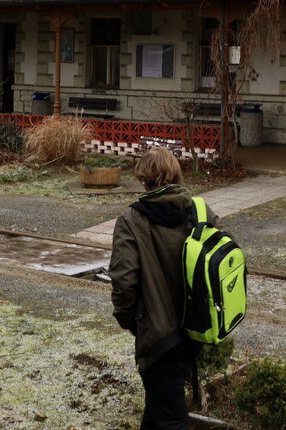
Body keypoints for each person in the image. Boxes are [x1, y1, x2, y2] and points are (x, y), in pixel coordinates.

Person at [109, 147, 221, 430]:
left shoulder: (131, 220)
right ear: (176, 172)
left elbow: (124, 281)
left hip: (158, 336)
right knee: (159, 405)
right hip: (194, 329)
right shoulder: (199, 212)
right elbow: (223, 260)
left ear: (144, 179)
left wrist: (129, 320)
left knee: (171, 418)